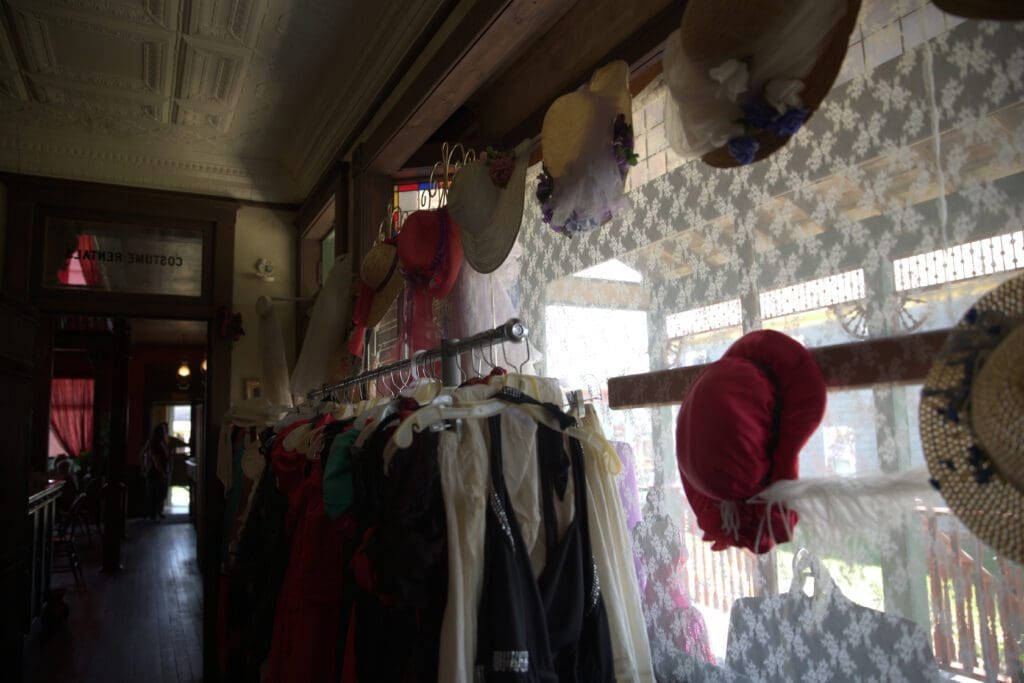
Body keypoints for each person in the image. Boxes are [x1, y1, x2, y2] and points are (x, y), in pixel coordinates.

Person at [142, 423, 173, 520]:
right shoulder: (155, 444)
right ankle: (153, 514)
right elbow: (156, 460)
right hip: (155, 473)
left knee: (159, 493)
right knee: (156, 493)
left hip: (159, 472)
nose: (165, 432)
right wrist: (162, 473)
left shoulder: (161, 443)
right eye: (164, 431)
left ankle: (156, 513)